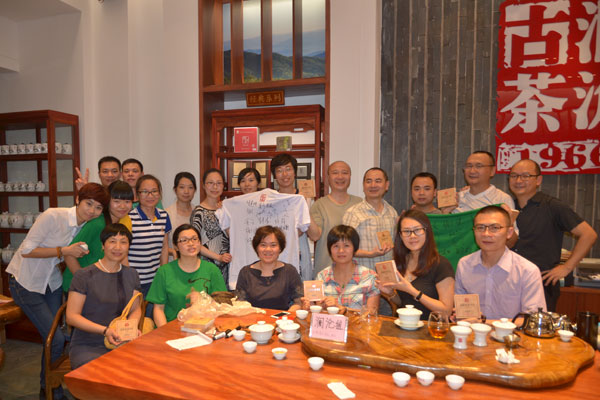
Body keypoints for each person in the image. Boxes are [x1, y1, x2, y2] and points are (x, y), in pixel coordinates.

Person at [6, 183, 109, 399]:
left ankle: (48, 387)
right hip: (25, 282)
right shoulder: (53, 216)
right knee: (56, 338)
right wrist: (64, 250)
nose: (92, 210)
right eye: (88, 203)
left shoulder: (87, 225)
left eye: (98, 207)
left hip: (51, 283)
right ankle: (51, 389)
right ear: (77, 200)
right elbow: (26, 250)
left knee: (53, 338)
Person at [509, 159, 597, 311]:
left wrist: (567, 267)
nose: (518, 180)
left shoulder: (552, 206)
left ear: (538, 180)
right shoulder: (508, 206)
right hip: (509, 282)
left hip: (542, 284)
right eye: (514, 176)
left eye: (525, 176)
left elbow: (589, 234)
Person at [66, 224, 141, 369]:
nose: (118, 247)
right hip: (88, 344)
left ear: (128, 247)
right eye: (112, 241)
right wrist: (105, 331)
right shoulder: (84, 275)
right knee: (109, 371)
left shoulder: (131, 274)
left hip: (121, 341)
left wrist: (130, 328)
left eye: (123, 242)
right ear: (102, 245)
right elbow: (71, 317)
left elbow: (135, 309)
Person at [455, 206, 546, 320]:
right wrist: (460, 315)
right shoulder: (464, 265)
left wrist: (485, 323)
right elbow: (463, 312)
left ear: (509, 232)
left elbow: (534, 320)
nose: (486, 234)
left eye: (495, 228)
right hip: (472, 331)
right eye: (480, 227)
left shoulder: (527, 271)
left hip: (513, 332)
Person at [376, 210, 454, 320]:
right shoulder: (401, 262)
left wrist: (412, 290)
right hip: (404, 325)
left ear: (427, 232)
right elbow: (403, 303)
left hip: (429, 328)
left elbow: (446, 311)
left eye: (417, 230)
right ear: (400, 235)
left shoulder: (441, 264)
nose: (412, 236)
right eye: (406, 231)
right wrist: (391, 294)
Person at [147, 224, 227, 327]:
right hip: (172, 328)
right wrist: (165, 331)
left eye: (194, 239)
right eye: (184, 240)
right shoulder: (164, 272)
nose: (191, 243)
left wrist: (204, 299)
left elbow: (223, 305)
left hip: (205, 327)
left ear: (200, 243)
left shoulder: (212, 270)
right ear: (176, 246)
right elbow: (158, 309)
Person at [63, 180, 134, 292]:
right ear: (107, 202)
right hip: (79, 286)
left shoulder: (122, 223)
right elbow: (69, 255)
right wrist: (84, 282)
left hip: (99, 285)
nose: (122, 206)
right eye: (116, 201)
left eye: (127, 201)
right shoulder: (97, 224)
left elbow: (122, 256)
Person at [308, 161, 361, 275]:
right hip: (326, 273)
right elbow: (315, 236)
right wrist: (304, 206)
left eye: (344, 173)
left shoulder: (360, 203)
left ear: (350, 176)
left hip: (356, 273)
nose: (340, 177)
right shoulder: (319, 205)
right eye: (335, 173)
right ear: (328, 177)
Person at [123, 175, 171, 301]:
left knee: (153, 312)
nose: (150, 196)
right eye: (145, 192)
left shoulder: (164, 216)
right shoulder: (129, 218)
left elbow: (164, 247)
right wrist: (129, 279)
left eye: (154, 191)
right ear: (137, 194)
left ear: (159, 193)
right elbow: (123, 252)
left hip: (155, 281)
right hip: (134, 282)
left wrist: (163, 274)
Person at [312, 225, 379, 312]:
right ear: (330, 250)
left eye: (346, 246)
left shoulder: (369, 276)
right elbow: (318, 313)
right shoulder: (321, 277)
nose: (341, 251)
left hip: (359, 321)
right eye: (336, 246)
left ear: (355, 249)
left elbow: (372, 313)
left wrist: (342, 308)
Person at [235, 226, 303, 311]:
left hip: (283, 318)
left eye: (273, 245)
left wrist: (286, 317)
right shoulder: (245, 272)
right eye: (263, 245)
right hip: (253, 318)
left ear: (280, 248)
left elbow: (299, 302)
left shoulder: (290, 271)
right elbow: (239, 303)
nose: (268, 249)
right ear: (256, 248)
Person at [271, 153, 312, 280]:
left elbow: (312, 234)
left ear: (295, 172)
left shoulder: (305, 198)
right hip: (276, 253)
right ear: (274, 175)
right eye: (279, 170)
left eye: (288, 169)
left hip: (300, 252)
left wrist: (304, 206)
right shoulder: (271, 200)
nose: (284, 174)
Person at [191, 168, 232, 283]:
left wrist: (223, 212)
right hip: (206, 266)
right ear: (204, 186)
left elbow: (233, 237)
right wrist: (218, 257)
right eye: (210, 183)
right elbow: (194, 243)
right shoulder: (198, 212)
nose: (215, 187)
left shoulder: (226, 210)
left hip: (227, 266)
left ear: (223, 186)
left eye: (219, 183)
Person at [445, 151, 514, 213]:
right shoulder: (457, 198)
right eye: (469, 166)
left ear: (492, 171)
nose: (472, 171)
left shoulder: (502, 199)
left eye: (479, 166)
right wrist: (445, 212)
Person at [165, 172, 197, 253]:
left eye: (190, 187)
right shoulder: (167, 214)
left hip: (195, 259)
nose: (186, 191)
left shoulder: (199, 212)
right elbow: (162, 245)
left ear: (195, 190)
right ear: (175, 190)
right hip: (174, 259)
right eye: (182, 187)